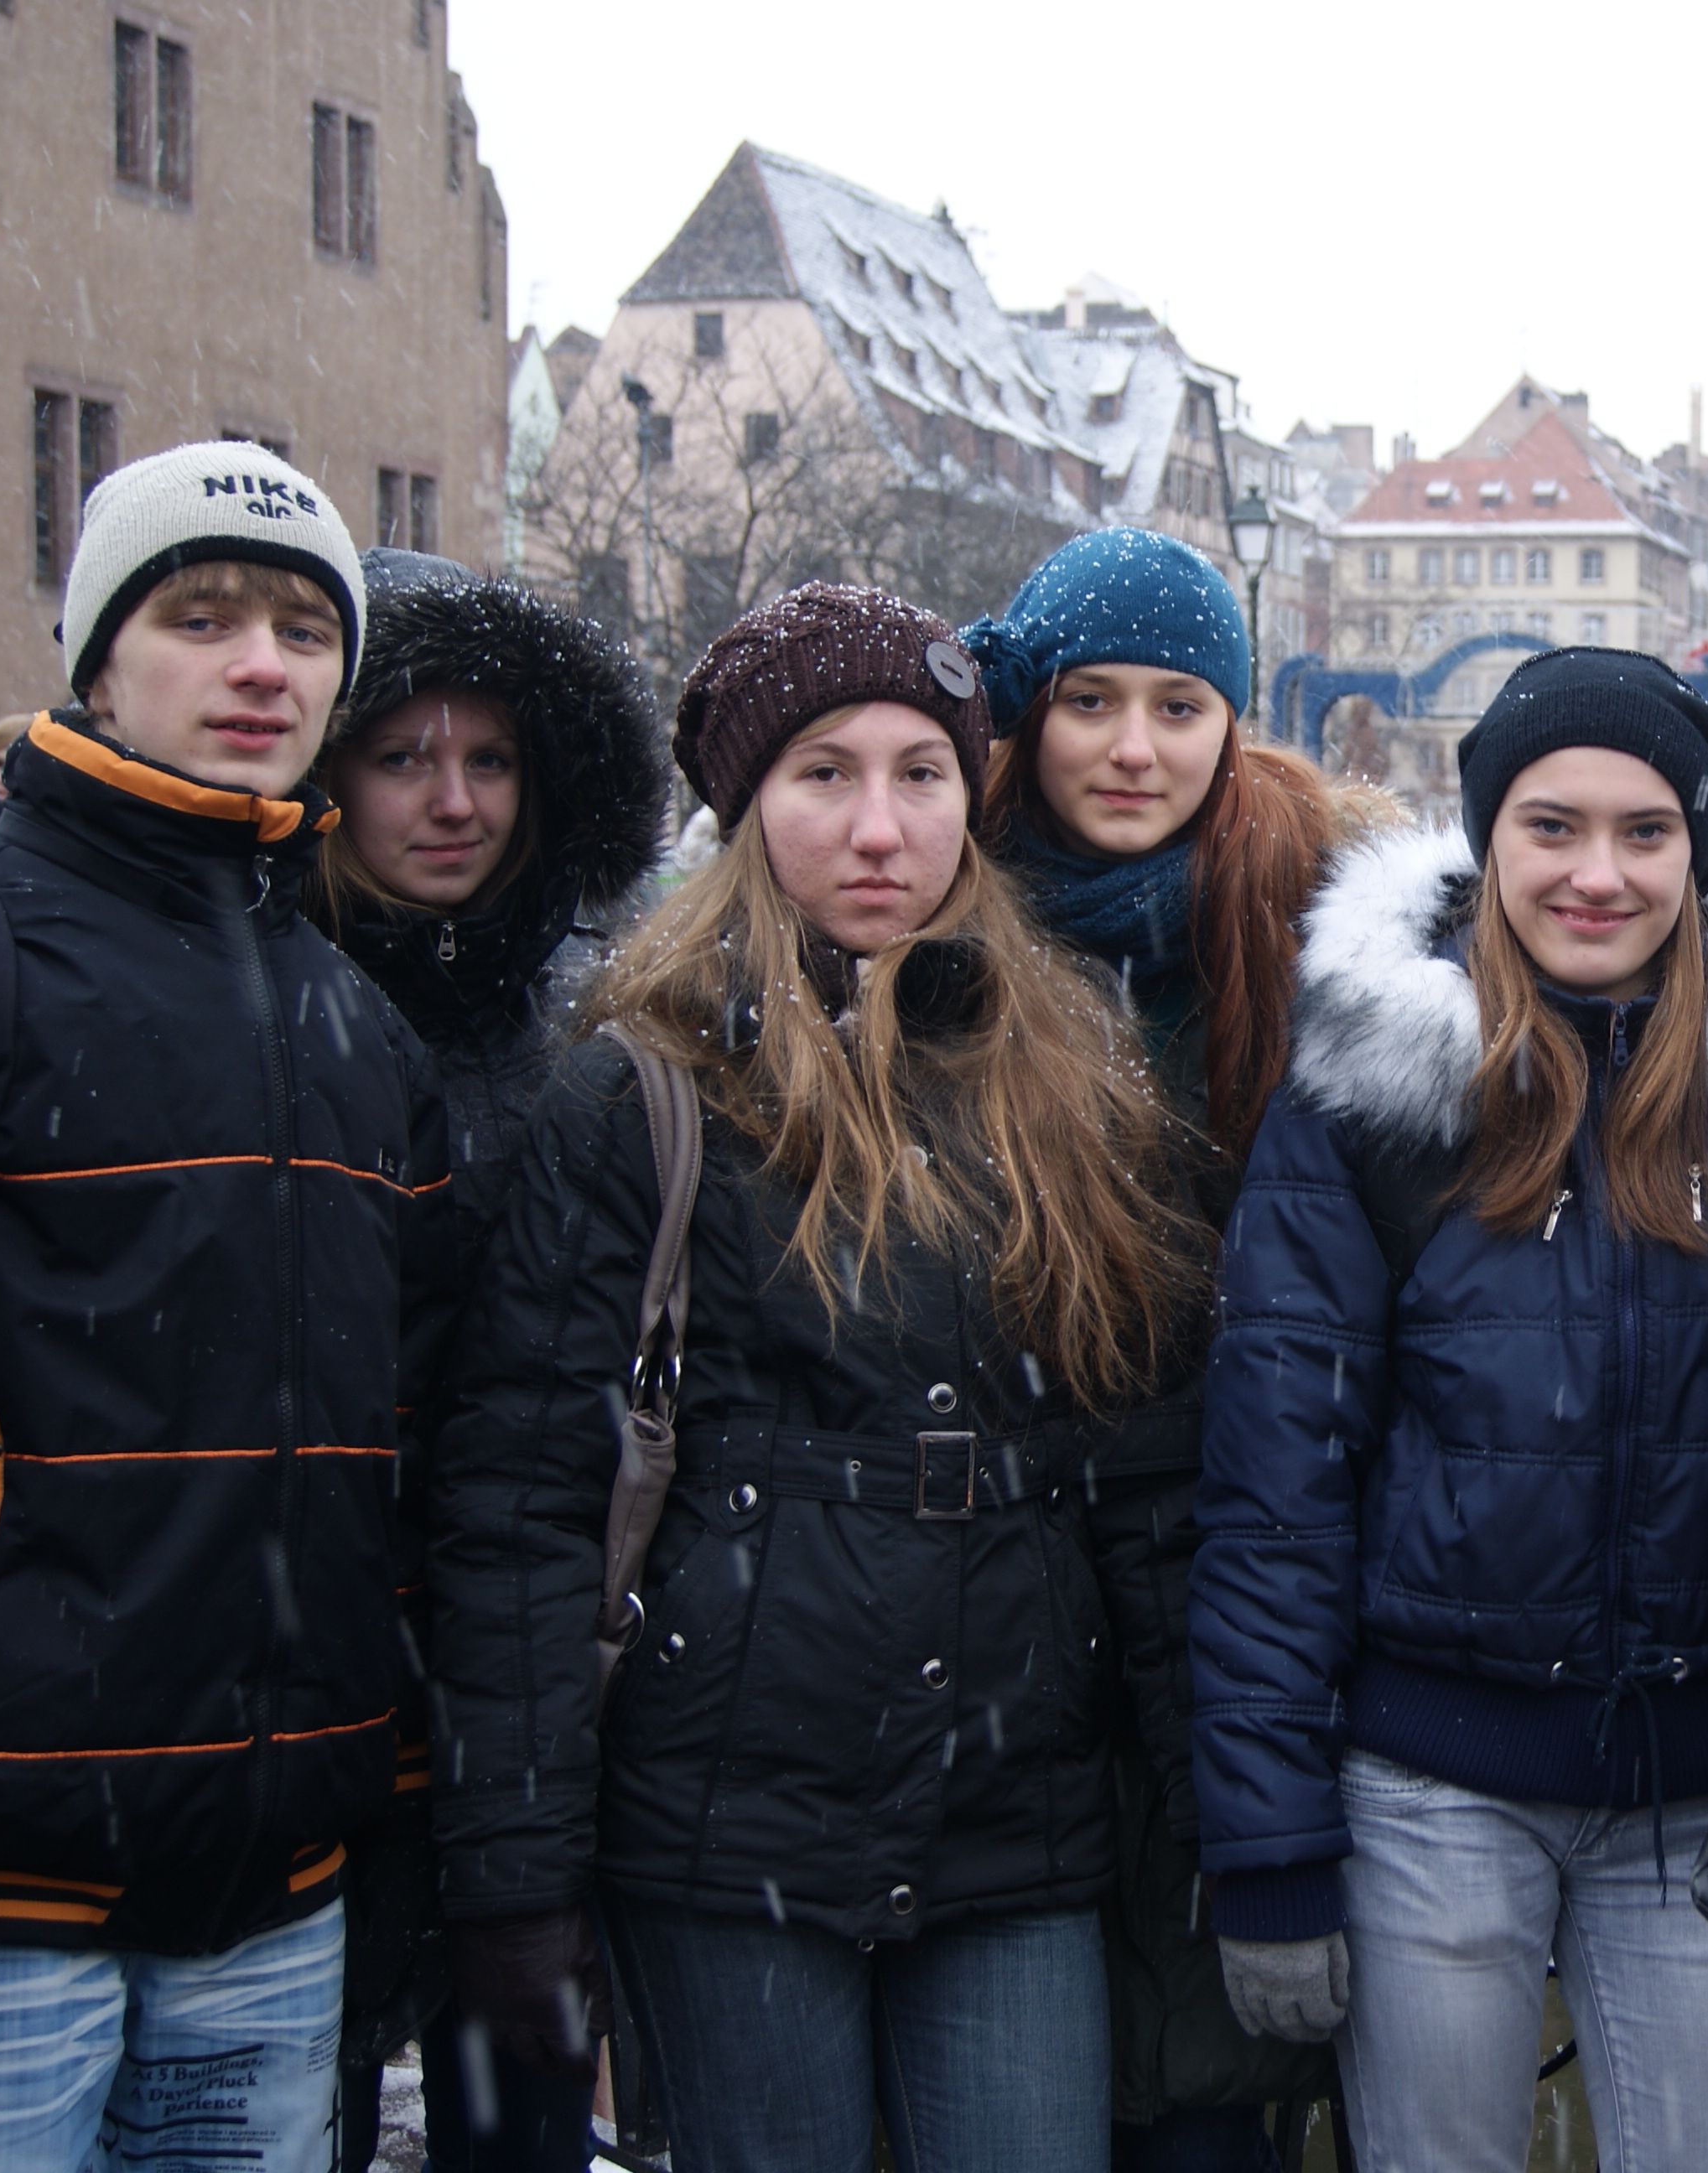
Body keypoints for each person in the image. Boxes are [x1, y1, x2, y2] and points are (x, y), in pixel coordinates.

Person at [425, 583, 1212, 2173]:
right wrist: (516, 1876)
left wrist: (1216, 1800)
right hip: (728, 1824)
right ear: (746, 810)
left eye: (921, 775)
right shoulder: (640, 1091)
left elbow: (1144, 1477)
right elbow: (523, 1503)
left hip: (1012, 1816)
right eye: (823, 775)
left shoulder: (1071, 1080)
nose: (877, 829)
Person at [1187, 646, 1708, 2173]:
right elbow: (1278, 1493)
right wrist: (1271, 1849)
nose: (1597, 875)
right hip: (1430, 1788)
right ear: (1491, 838)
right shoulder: (1378, 1093)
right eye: (1551, 827)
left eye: (1645, 831)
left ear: (1700, 848)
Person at [0, 443, 449, 2172]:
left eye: (302, 630)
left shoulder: (353, 1021)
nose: (262, 665)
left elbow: (398, 1438)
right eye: (201, 618)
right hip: (20, 1874)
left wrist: (377, 1771)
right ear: (99, 660)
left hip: (274, 1874)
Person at [966, 527, 1348, 2170]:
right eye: (1090, 701)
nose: (1134, 749)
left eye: (1180, 707)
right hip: (1003, 1612)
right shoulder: (932, 931)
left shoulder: (1322, 945)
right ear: (1024, 715)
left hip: (1230, 1597)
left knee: (1208, 2106)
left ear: (1231, 724)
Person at [309, 548, 668, 2173]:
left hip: (522, 1700)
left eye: (491, 759)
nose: (453, 802)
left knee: (512, 2126)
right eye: (401, 756)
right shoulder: (271, 1004)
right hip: (313, 1676)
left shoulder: (589, 1030)